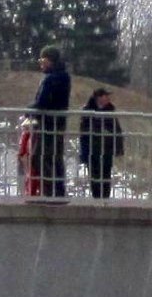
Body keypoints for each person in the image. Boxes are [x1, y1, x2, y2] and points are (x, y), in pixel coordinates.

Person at [30, 48, 72, 199]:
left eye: (43, 60)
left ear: (50, 60)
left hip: (48, 123)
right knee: (55, 158)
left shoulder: (52, 78)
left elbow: (42, 102)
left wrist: (29, 110)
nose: (41, 64)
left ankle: (51, 192)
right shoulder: (63, 76)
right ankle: (57, 191)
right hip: (57, 123)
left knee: (40, 157)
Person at [78, 86, 125, 200]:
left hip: (106, 149)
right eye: (105, 95)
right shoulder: (88, 111)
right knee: (94, 175)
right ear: (98, 97)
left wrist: (118, 148)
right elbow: (83, 132)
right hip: (92, 149)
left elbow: (117, 130)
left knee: (106, 175)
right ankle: (96, 198)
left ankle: (105, 199)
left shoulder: (110, 111)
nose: (108, 98)